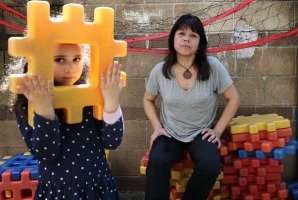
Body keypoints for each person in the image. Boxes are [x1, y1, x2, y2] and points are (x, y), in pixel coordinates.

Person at [143, 14, 240, 200]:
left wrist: (217, 131)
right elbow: (148, 99)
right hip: (170, 132)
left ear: (200, 42)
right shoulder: (160, 71)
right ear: (173, 39)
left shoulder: (213, 67)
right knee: (156, 162)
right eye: (181, 33)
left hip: (200, 132)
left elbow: (234, 98)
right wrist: (157, 127)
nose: (186, 38)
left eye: (193, 35)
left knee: (210, 165)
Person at [13, 43, 124, 200]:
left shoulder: (90, 95)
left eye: (76, 59)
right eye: (59, 60)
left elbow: (112, 142)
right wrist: (44, 109)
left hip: (98, 187)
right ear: (37, 60)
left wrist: (111, 102)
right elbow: (46, 152)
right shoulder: (28, 102)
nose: (70, 68)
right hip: (59, 192)